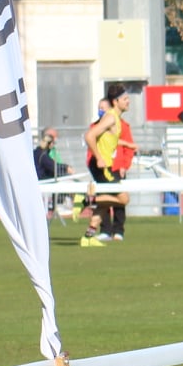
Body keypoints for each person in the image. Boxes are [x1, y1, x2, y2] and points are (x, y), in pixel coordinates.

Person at [81, 85, 133, 247]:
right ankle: (85, 200)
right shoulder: (110, 117)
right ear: (116, 101)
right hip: (102, 165)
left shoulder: (115, 119)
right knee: (123, 199)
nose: (128, 102)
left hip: (105, 164)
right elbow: (89, 135)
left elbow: (109, 138)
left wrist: (127, 144)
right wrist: (98, 158)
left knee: (105, 204)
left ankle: (88, 237)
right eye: (125, 99)